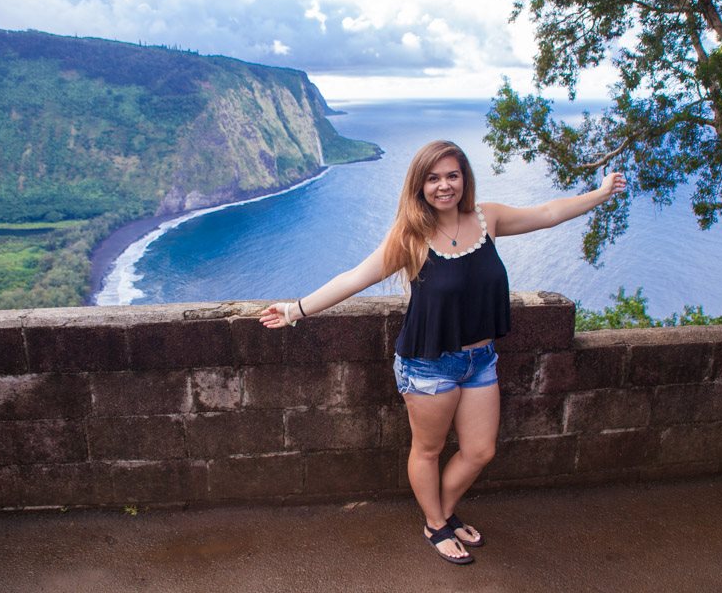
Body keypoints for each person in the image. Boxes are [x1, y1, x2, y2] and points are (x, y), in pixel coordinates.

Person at [260, 140, 626, 565]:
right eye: (433, 178)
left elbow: (547, 213)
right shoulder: (411, 237)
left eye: (452, 175)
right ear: (419, 186)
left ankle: (446, 512)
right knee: (428, 450)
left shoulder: (487, 218)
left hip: (480, 359)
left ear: (464, 178)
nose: (444, 185)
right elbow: (354, 278)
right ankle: (435, 525)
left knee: (480, 451)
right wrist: (295, 310)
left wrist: (600, 194)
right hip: (427, 364)